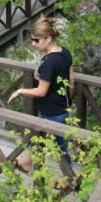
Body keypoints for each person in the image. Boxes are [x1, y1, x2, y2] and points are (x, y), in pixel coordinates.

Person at [8, 17, 75, 170]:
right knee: (37, 136)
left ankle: (69, 177)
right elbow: (71, 78)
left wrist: (20, 91)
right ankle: (27, 162)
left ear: (48, 38)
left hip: (52, 111)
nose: (33, 44)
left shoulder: (50, 62)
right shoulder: (65, 52)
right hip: (62, 106)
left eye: (36, 40)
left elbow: (41, 91)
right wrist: (68, 99)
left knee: (60, 147)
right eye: (32, 40)